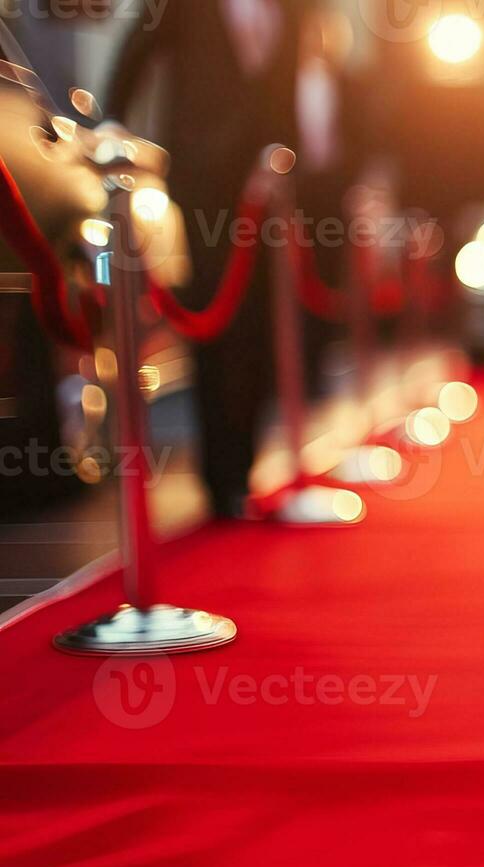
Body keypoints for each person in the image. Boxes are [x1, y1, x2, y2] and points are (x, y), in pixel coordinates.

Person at [106, 0, 299, 518]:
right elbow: (137, 46)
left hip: (262, 187)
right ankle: (217, 478)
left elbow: (286, 84)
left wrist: (283, 157)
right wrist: (110, 124)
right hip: (199, 179)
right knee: (213, 321)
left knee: (256, 325)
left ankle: (244, 471)